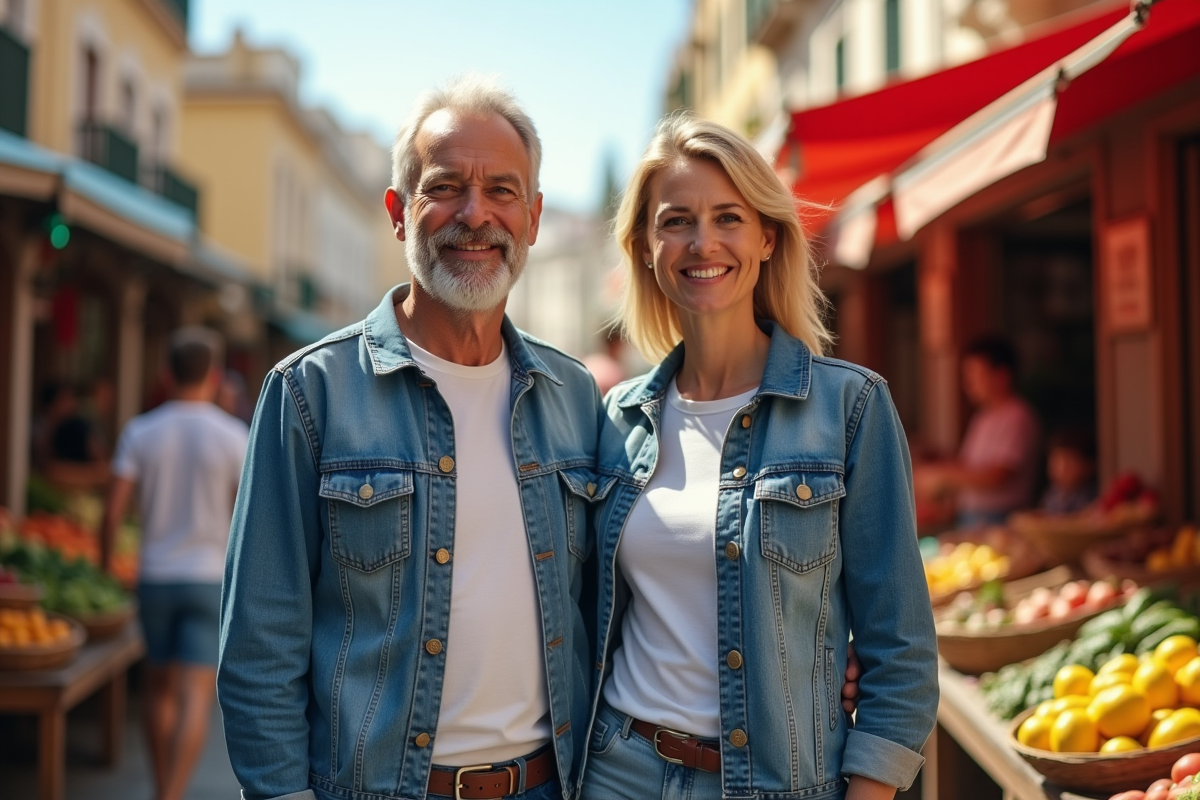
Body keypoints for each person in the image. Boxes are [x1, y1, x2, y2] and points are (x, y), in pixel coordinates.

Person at [218, 77, 859, 800]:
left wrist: (818, 659)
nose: (474, 214)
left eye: (502, 191)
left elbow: (633, 589)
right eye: (446, 187)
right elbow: (257, 648)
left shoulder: (575, 398)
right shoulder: (311, 391)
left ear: (532, 218)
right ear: (399, 213)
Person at [582, 115, 938, 800]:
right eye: (676, 221)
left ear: (768, 237)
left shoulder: (849, 409)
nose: (702, 242)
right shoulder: (614, 419)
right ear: (646, 246)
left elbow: (903, 653)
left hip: (782, 782)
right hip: (620, 772)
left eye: (727, 218)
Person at [100, 327, 249, 800]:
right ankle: (174, 795)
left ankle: (161, 789)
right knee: (195, 696)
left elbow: (111, 511)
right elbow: (244, 515)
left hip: (155, 577)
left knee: (158, 690)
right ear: (216, 375)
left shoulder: (140, 431)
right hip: (209, 579)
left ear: (165, 374)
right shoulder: (233, 436)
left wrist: (106, 570)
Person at [915, 337, 1041, 528]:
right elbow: (970, 466)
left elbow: (997, 475)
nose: (968, 383)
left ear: (1001, 376)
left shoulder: (1017, 416)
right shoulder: (982, 417)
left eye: (975, 374)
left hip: (1001, 520)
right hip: (972, 518)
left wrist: (942, 476)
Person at [1040, 427, 1097, 514]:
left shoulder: (1091, 497)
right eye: (1056, 461)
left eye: (1069, 462)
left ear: (1089, 465)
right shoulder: (1051, 494)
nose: (1062, 469)